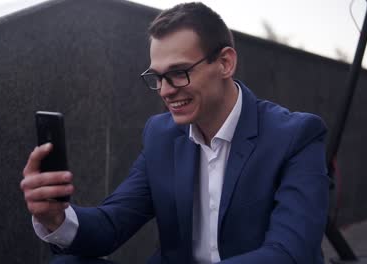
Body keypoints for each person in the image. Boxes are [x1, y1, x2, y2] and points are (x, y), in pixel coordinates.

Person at [20, 2, 329, 264]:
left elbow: (289, 253)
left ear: (225, 62)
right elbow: (112, 224)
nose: (166, 91)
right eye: (158, 77)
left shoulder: (296, 135)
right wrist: (56, 218)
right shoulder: (161, 135)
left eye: (179, 73)